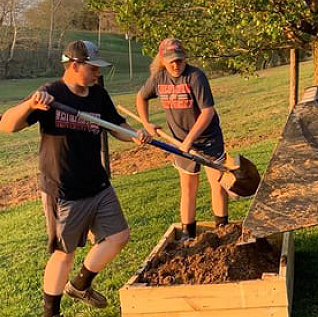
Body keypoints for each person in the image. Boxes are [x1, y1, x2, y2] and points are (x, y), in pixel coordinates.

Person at [0, 40, 151, 317]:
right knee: (64, 254)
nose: (97, 73)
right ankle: (51, 312)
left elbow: (116, 125)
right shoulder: (51, 94)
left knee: (118, 236)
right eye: (92, 68)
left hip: (97, 183)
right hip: (63, 188)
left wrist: (135, 135)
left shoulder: (98, 95)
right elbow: (7, 125)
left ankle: (80, 284)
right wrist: (31, 105)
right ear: (74, 65)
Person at [136, 38, 229, 240]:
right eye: (172, 61)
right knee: (187, 188)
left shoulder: (195, 77)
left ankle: (223, 231)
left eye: (180, 60)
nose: (176, 65)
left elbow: (207, 112)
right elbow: (141, 97)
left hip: (208, 141)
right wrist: (146, 124)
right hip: (179, 143)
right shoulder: (158, 78)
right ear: (162, 60)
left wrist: (190, 140)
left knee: (218, 184)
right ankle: (188, 235)